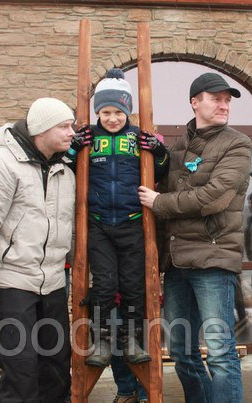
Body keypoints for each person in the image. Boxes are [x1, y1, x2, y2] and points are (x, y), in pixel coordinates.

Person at [0, 97, 85, 402]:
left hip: (52, 283)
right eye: (64, 127)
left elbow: (71, 229)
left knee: (55, 367)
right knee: (20, 368)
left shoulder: (65, 171)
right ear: (41, 129)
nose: (71, 133)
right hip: (10, 284)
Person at [138, 72, 251, 403]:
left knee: (219, 352)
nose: (223, 105)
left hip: (214, 259)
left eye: (227, 100)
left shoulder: (238, 143)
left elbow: (214, 197)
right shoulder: (178, 147)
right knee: (181, 351)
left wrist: (160, 203)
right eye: (216, 98)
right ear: (194, 102)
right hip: (177, 263)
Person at [84, 68, 169, 367]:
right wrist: (73, 148)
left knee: (134, 285)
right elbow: (69, 165)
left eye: (118, 112)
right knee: (105, 285)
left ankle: (132, 338)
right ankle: (102, 339)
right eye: (105, 112)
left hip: (133, 222)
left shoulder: (136, 138)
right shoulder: (89, 138)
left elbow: (161, 169)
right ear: (97, 112)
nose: (112, 118)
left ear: (128, 112)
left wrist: (159, 151)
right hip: (99, 224)